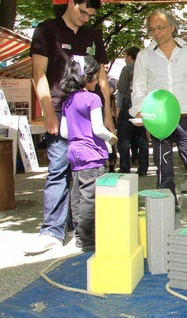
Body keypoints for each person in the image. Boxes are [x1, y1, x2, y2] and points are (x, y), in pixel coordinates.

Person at [26, 0, 112, 254]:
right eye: (82, 11)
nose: (86, 18)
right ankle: (52, 230)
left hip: (90, 111)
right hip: (60, 110)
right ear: (71, 3)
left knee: (87, 173)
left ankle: (80, 226)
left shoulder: (94, 36)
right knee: (58, 168)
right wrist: (48, 112)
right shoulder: (46, 31)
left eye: (91, 15)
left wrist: (108, 113)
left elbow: (103, 77)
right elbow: (38, 74)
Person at [130, 8, 187, 217]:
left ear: (172, 27)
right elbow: (139, 88)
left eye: (160, 27)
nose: (156, 33)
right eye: (152, 29)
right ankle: (167, 216)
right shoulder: (144, 56)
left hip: (184, 118)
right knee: (163, 171)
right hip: (158, 120)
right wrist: (141, 114)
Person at [58, 55, 117, 251]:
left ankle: (79, 236)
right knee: (91, 198)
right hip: (92, 155)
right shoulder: (93, 99)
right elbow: (98, 129)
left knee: (77, 195)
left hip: (75, 155)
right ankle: (89, 240)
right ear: (88, 77)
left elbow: (64, 132)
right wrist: (111, 138)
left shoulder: (68, 101)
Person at [117, 46, 148, 176]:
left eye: (126, 56)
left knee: (124, 138)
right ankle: (143, 168)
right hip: (143, 104)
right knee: (142, 137)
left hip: (128, 103)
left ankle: (125, 167)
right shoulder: (145, 67)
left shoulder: (127, 68)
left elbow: (122, 88)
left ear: (130, 56)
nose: (125, 59)